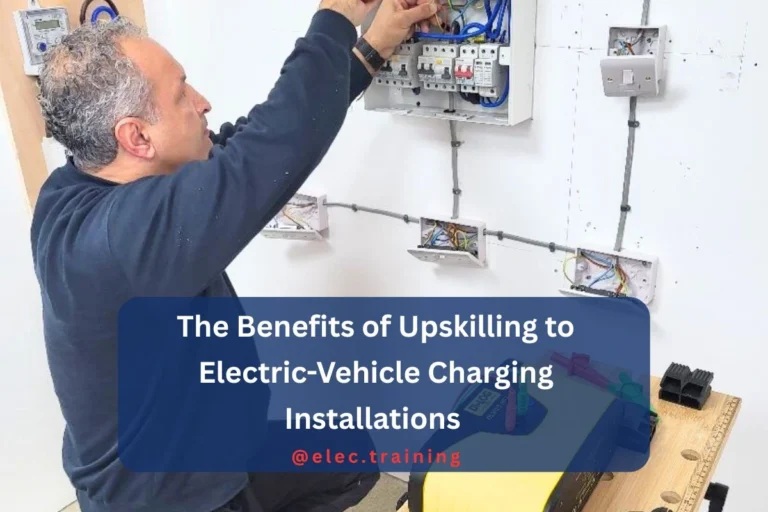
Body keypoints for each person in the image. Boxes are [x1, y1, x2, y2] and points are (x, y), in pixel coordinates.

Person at [30, 0, 439, 511]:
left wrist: (369, 51)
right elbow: (267, 155)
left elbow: (249, 143)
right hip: (173, 496)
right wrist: (335, 15)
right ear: (136, 136)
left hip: (216, 441)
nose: (203, 102)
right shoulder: (121, 241)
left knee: (347, 458)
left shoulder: (70, 188)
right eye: (182, 93)